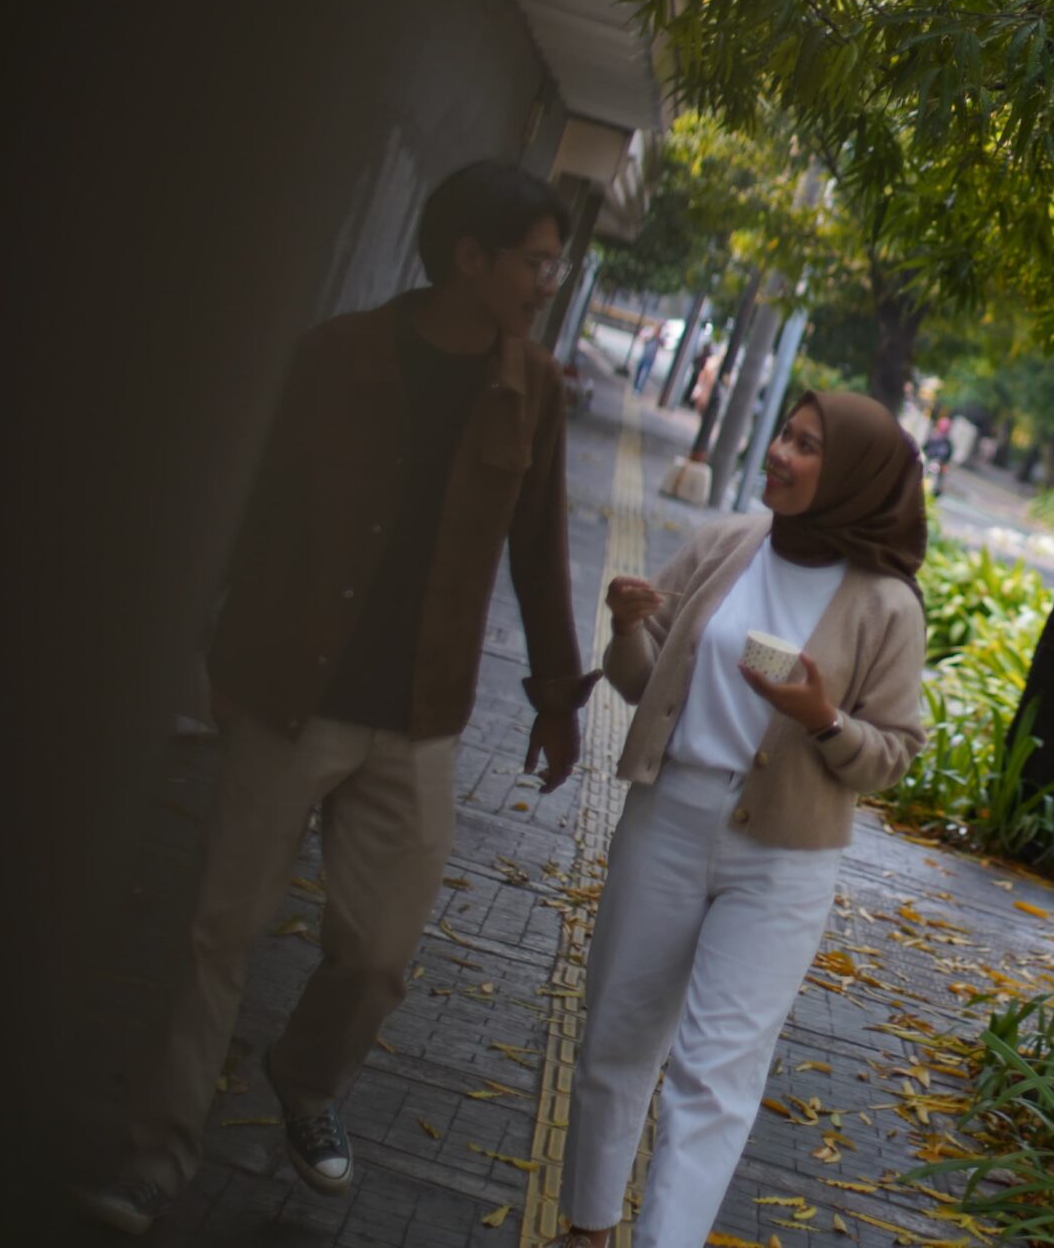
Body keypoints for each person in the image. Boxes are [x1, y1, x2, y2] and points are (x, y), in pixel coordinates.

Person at [78, 160, 593, 1236]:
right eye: (535, 262)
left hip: (420, 715)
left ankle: (305, 1079)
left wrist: (557, 697)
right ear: (470, 257)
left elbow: (540, 550)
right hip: (291, 690)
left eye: (555, 264)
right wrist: (213, 642)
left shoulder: (535, 388)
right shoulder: (340, 355)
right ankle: (156, 1154)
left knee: (377, 956)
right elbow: (261, 503)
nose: (549, 282)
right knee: (217, 936)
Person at [550, 391, 928, 1248]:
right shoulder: (727, 544)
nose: (780, 454)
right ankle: (587, 1229)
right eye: (784, 434)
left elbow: (893, 753)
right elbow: (640, 680)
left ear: (854, 476)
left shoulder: (887, 605)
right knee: (617, 1035)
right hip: (669, 816)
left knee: (714, 1076)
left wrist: (824, 720)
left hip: (784, 858)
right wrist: (626, 626)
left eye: (807, 445)